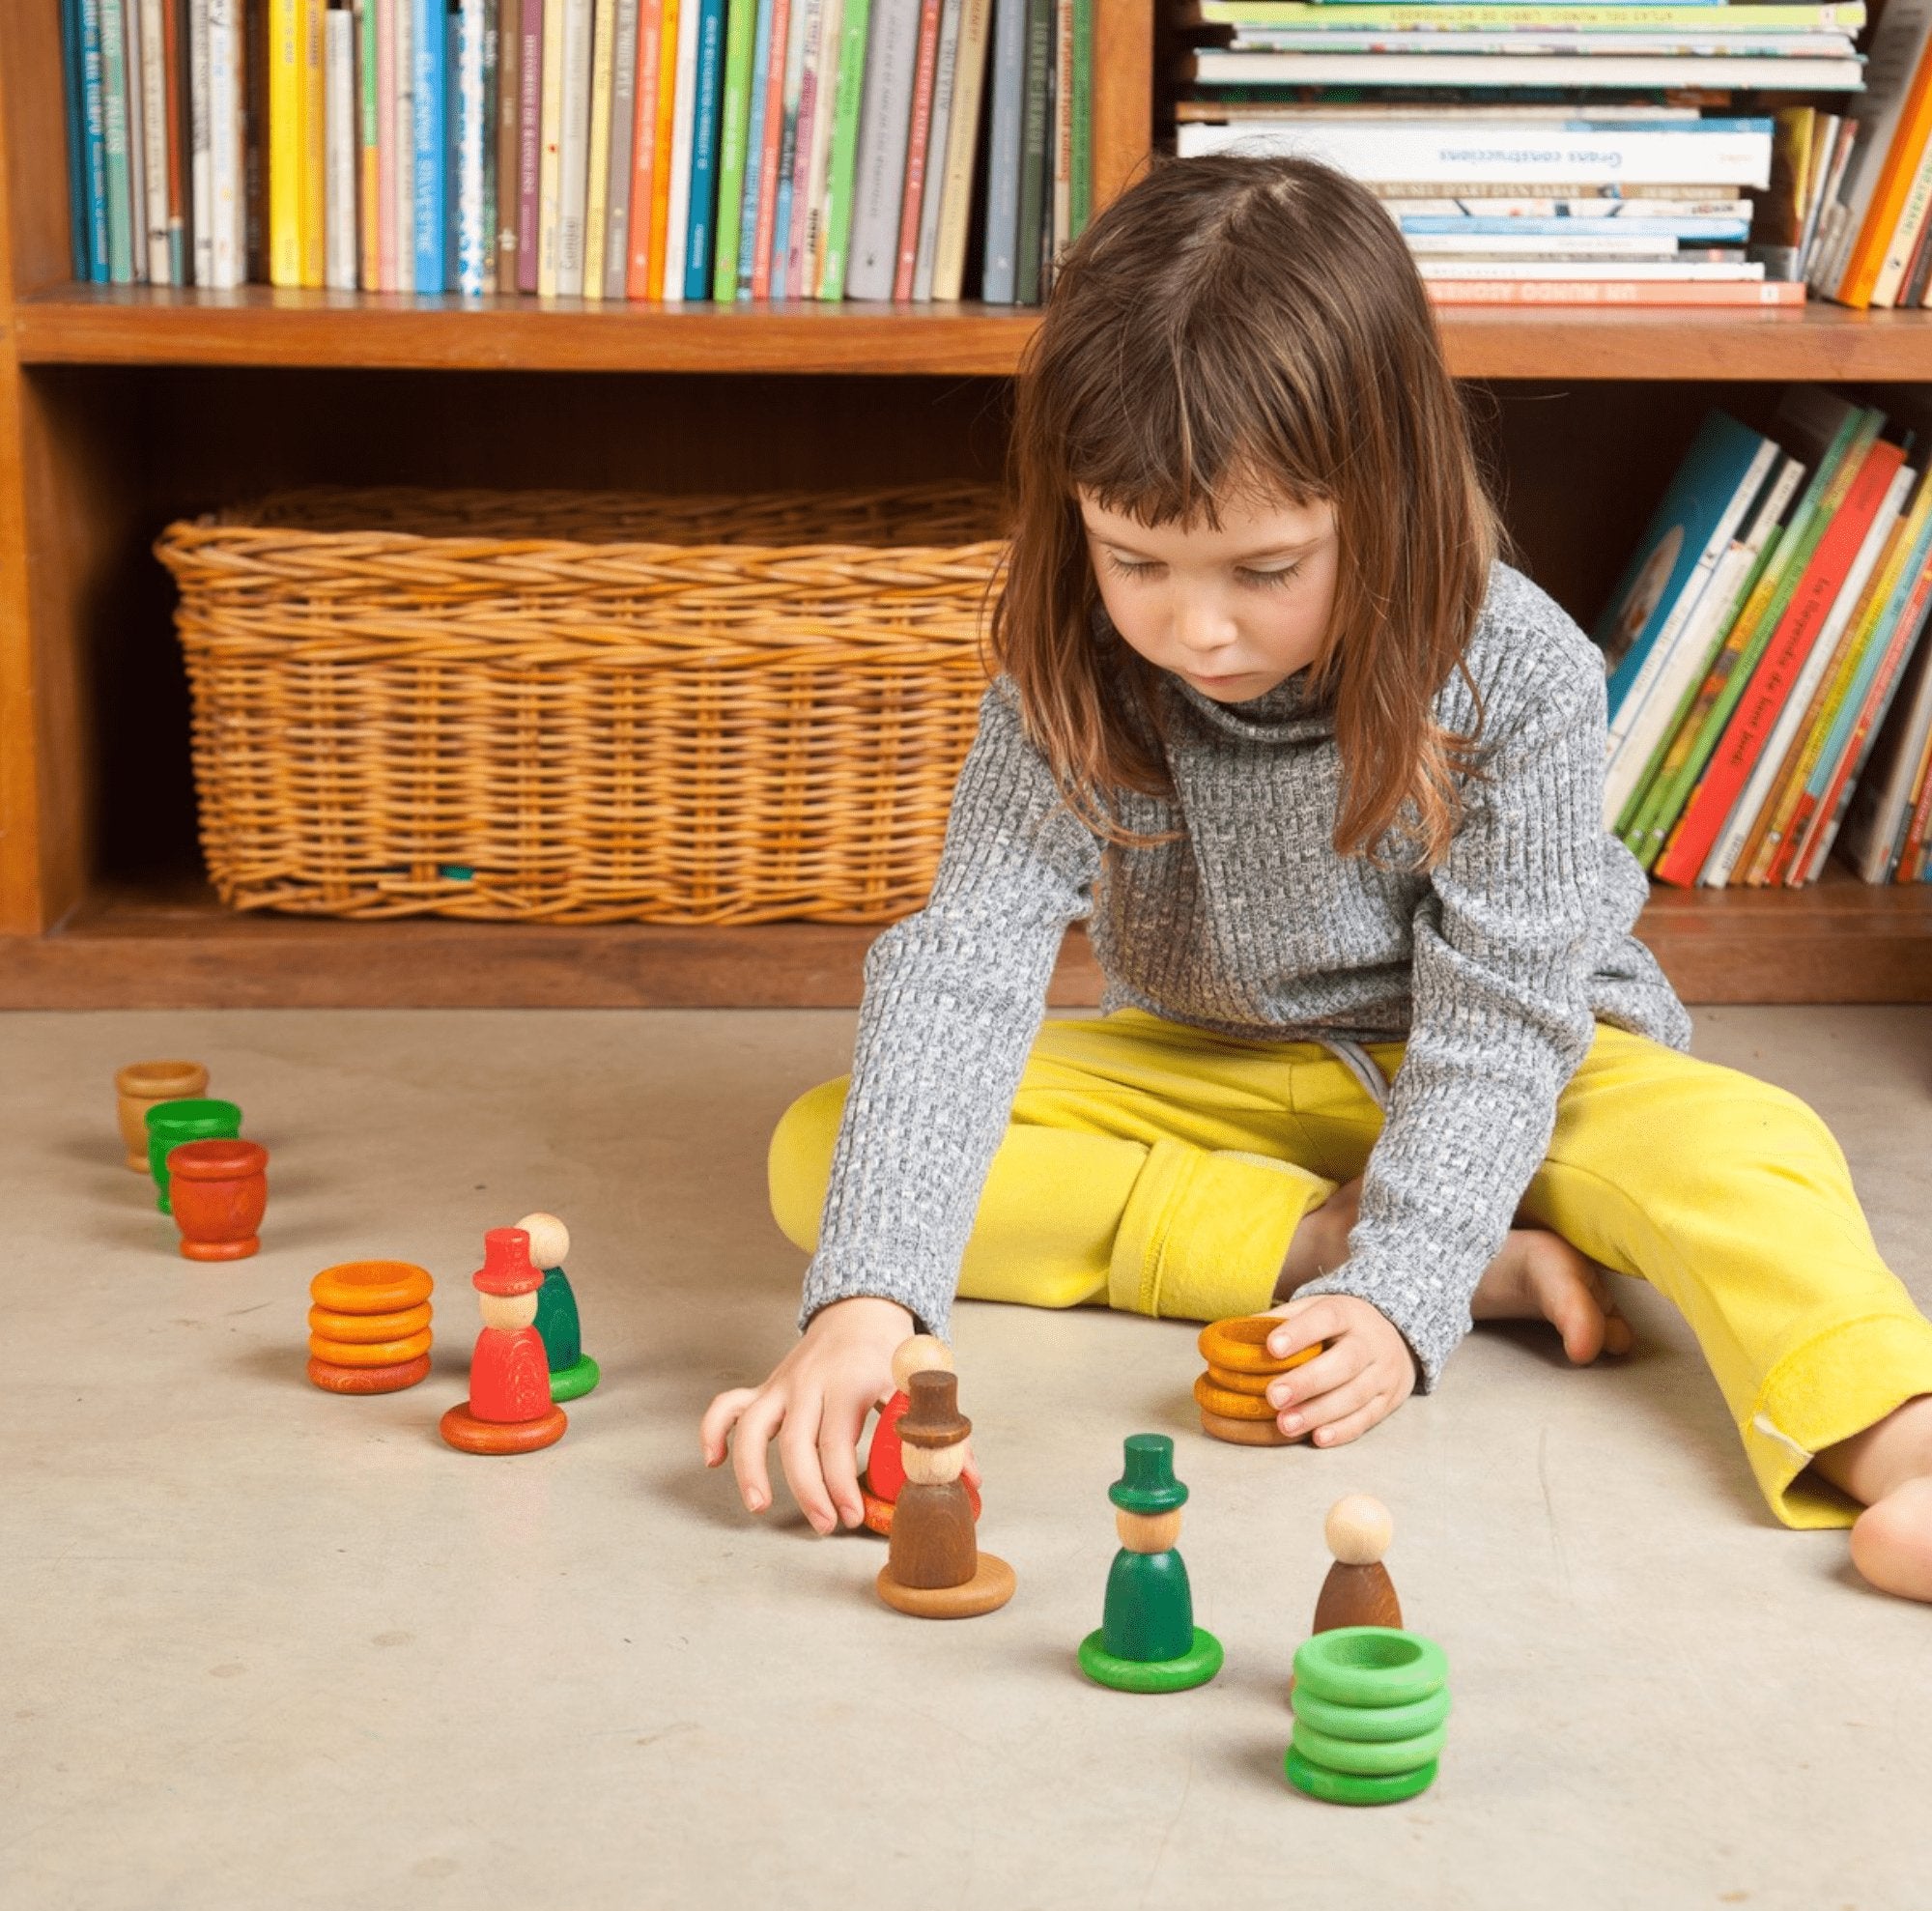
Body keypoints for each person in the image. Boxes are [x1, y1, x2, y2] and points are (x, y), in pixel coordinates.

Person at [699, 155, 1932, 1603]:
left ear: (1385, 495)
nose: (1196, 628)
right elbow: (967, 957)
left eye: (1265, 568)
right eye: (1134, 558)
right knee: (829, 1149)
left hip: (1514, 1065)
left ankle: (1896, 1440)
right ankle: (1317, 1240)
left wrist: (1400, 1299)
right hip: (1209, 1064)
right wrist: (865, 1310)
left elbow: (1497, 1019)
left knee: (1746, 1152)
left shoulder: (1517, 668)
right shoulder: (1065, 665)